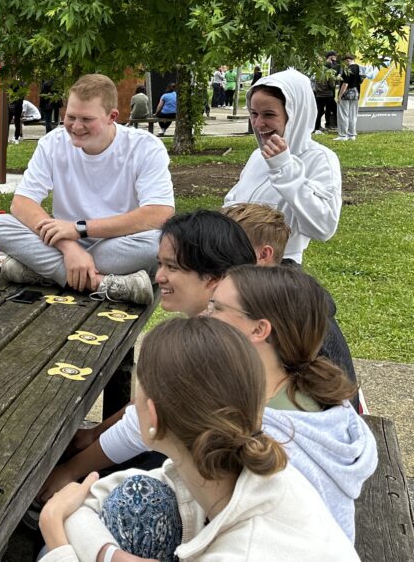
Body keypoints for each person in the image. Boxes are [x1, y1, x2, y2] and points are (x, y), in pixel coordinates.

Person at [39, 318, 358, 562]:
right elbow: (101, 496)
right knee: (135, 497)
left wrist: (56, 536)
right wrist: (108, 554)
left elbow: (69, 512)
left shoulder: (245, 552)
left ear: (152, 416)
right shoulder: (232, 467)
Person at [34, 210, 257, 505]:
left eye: (172, 267)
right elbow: (154, 401)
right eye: (160, 264)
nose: (158, 276)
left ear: (213, 279)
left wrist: (68, 471)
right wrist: (95, 433)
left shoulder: (209, 343)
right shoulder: (236, 320)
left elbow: (143, 428)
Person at [205, 265, 376, 541]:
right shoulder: (305, 395)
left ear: (259, 330)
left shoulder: (271, 446)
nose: (204, 315)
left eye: (216, 308)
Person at [0, 74, 174, 304]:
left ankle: (43, 271)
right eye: (71, 116)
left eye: (86, 119)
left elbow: (160, 213)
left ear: (111, 117)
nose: (75, 126)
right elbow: (22, 203)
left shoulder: (145, 147)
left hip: (116, 244)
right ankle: (100, 283)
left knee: (161, 243)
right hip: (61, 241)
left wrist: (80, 229)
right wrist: (69, 249)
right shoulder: (52, 143)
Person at [220, 203, 360, 406]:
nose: (217, 258)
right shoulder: (279, 295)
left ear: (264, 255)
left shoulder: (288, 309)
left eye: (227, 249)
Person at [224, 68, 341, 263]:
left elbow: (324, 227)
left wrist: (285, 169)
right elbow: (234, 201)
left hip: (278, 266)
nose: (259, 123)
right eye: (254, 114)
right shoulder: (258, 156)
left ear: (295, 115)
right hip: (236, 259)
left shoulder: (319, 158)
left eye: (269, 114)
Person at [336, 54, 362, 141]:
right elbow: (359, 82)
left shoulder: (348, 69)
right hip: (355, 93)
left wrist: (340, 95)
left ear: (347, 60)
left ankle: (343, 135)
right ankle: (352, 135)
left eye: (344, 62)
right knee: (353, 115)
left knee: (343, 114)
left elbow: (345, 84)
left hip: (346, 93)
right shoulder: (358, 68)